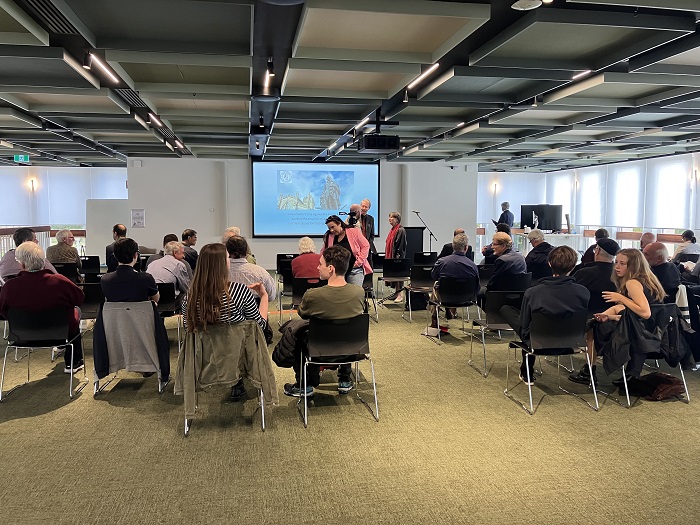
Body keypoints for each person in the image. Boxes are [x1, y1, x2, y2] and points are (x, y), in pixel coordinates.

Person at [182, 243, 269, 401]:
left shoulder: (190, 297)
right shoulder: (240, 292)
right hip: (238, 358)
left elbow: (188, 329)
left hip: (204, 361)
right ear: (222, 265)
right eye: (228, 258)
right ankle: (239, 380)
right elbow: (260, 326)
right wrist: (264, 297)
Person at [569, 248, 665, 385]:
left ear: (633, 265)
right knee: (600, 320)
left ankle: (589, 371)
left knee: (592, 328)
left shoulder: (633, 283)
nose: (617, 267)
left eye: (622, 263)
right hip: (651, 331)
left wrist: (621, 297)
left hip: (638, 334)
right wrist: (610, 316)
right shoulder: (650, 280)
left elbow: (645, 312)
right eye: (616, 262)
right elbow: (633, 314)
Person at [283, 245, 366, 397]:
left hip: (319, 350)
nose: (317, 267)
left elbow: (302, 313)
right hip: (353, 349)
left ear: (331, 269)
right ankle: (345, 380)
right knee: (345, 327)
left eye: (320, 264)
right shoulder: (359, 292)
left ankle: (304, 385)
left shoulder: (313, 295)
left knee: (299, 335)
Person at [501, 246, 589, 384]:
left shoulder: (533, 292)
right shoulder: (583, 292)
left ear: (549, 264)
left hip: (538, 341)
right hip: (572, 342)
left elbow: (524, 324)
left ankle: (527, 371)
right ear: (573, 266)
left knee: (507, 310)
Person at [0, 241, 85, 373]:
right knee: (75, 312)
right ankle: (73, 363)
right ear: (43, 261)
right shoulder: (60, 281)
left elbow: (4, 311)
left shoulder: (9, 287)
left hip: (21, 335)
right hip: (60, 332)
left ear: (21, 264)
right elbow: (79, 299)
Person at [426, 233, 478, 335]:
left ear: (453, 246)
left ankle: (434, 320)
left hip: (445, 297)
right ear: (466, 248)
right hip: (467, 299)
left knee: (436, 285)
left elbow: (434, 276)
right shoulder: (473, 265)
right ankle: (449, 313)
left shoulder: (441, 262)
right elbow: (477, 285)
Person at [101, 238, 160, 303]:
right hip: (141, 312)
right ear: (135, 255)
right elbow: (156, 299)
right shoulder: (146, 278)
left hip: (115, 313)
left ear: (115, 256)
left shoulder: (105, 280)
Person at [322, 214, 371, 288]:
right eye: (329, 228)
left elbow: (366, 246)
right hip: (338, 272)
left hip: (354, 270)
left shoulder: (354, 232)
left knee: (354, 293)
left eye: (333, 227)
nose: (331, 230)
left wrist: (359, 262)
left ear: (339, 224)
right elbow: (324, 251)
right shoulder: (330, 236)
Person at [574, 238, 619, 316]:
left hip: (587, 319)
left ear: (597, 251)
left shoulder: (584, 273)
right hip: (612, 318)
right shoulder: (620, 274)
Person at [226, 235, 276, 300]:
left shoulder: (218, 274)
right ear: (246, 252)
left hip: (226, 309)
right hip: (257, 309)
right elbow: (271, 296)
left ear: (227, 252)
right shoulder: (261, 272)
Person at [146, 240, 191, 309]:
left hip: (150, 300)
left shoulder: (152, 263)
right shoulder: (179, 264)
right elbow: (186, 287)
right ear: (175, 253)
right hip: (168, 302)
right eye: (182, 253)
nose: (184, 256)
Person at [385, 211, 407, 302]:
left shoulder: (401, 230)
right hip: (391, 257)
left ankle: (400, 295)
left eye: (392, 217)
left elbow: (401, 246)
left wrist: (398, 258)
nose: (390, 219)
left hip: (397, 258)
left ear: (397, 220)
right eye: (389, 217)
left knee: (398, 277)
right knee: (394, 276)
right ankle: (396, 293)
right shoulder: (392, 230)